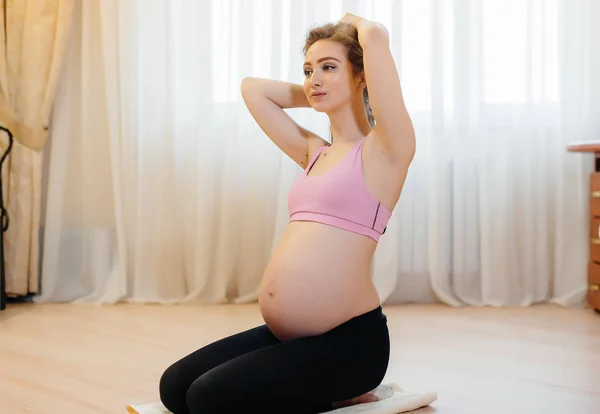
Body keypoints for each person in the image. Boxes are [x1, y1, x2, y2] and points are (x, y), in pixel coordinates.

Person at [158, 12, 415, 414]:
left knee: (207, 398)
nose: (313, 78)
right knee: (174, 387)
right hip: (294, 338)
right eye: (308, 70)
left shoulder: (386, 151)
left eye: (329, 67)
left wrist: (356, 28)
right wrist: (322, 88)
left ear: (363, 77)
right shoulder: (315, 152)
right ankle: (320, 391)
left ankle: (344, 393)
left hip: (350, 346)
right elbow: (253, 90)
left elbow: (376, 35)